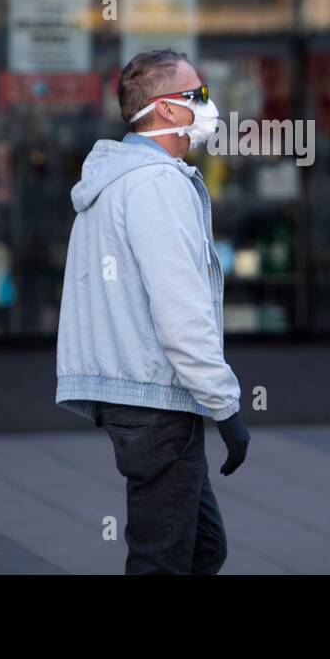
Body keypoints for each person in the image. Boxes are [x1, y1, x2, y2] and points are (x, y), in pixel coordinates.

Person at [56, 49, 249, 574]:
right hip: (157, 401)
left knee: (203, 549)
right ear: (166, 109)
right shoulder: (157, 184)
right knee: (161, 561)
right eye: (199, 95)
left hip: (135, 394)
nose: (209, 105)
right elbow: (180, 309)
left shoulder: (115, 179)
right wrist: (225, 405)